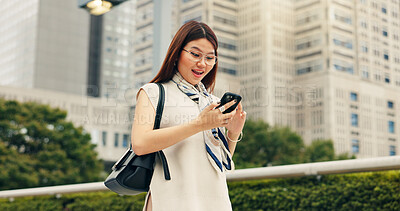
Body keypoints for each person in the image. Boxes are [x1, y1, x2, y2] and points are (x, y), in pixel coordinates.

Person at [131, 21, 246, 211]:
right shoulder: (154, 92)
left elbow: (217, 165)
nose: (202, 63)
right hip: (172, 200)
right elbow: (140, 144)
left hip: (214, 201)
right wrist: (199, 124)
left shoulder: (213, 102)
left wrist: (232, 134)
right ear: (177, 53)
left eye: (210, 57)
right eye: (195, 54)